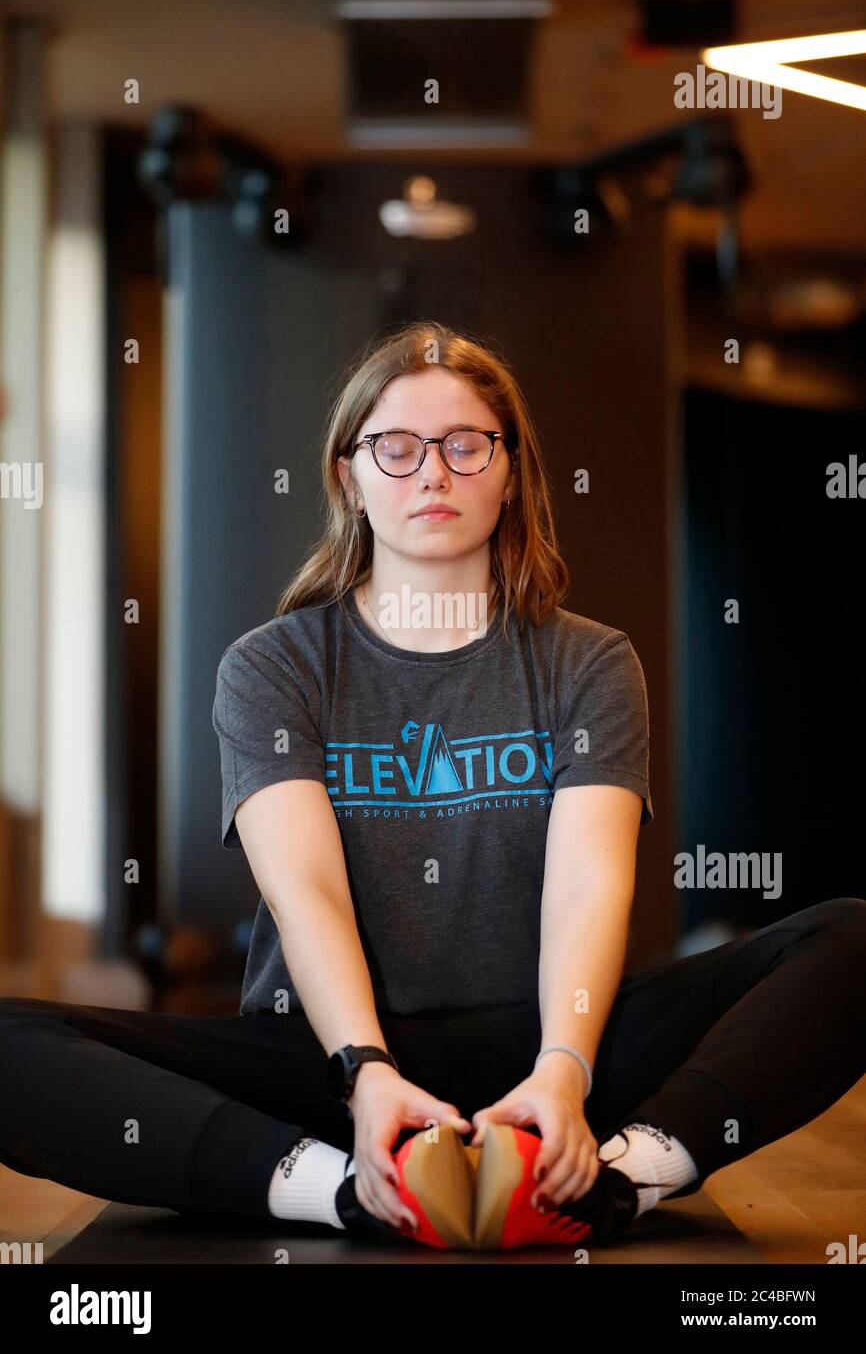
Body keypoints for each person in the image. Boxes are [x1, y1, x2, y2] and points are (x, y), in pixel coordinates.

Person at [0, 322, 863, 1252]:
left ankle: (610, 1182)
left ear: (510, 469)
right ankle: (347, 1190)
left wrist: (564, 1071)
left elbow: (587, 887)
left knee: (852, 937)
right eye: (396, 448)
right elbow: (308, 896)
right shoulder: (273, 666)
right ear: (350, 478)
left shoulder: (590, 661)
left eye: (465, 445)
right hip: (330, 1067)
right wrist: (366, 1070)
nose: (432, 473)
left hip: (545, 1064)